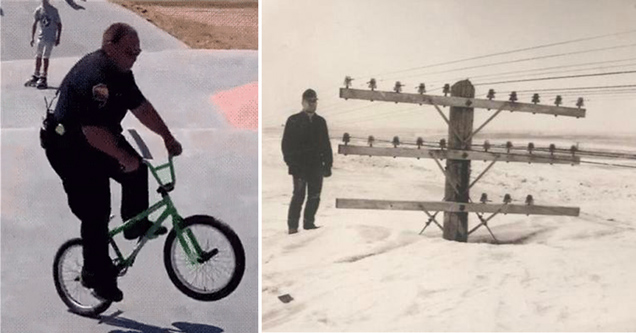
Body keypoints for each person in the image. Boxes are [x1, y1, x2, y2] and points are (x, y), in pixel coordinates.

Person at [40, 23, 183, 302]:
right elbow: (90, 131)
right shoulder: (97, 75)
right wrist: (122, 157)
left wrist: (167, 137)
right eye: (130, 50)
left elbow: (142, 108)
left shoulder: (121, 73)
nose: (136, 55)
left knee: (138, 168)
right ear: (110, 47)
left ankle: (134, 223)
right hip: (67, 146)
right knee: (96, 211)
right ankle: (96, 276)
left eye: (138, 50)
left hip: (98, 135)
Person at [281, 89, 333, 235]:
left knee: (315, 195)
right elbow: (286, 145)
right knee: (298, 195)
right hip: (299, 167)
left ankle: (309, 224)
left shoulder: (320, 122)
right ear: (303, 102)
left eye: (314, 101)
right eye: (309, 101)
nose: (312, 104)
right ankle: (292, 227)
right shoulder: (294, 120)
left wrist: (327, 165)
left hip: (316, 166)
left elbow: (325, 144)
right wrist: (291, 163)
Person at [26, 0, 62, 89]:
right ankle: (36, 74)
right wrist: (32, 37)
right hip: (41, 37)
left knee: (46, 57)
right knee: (38, 55)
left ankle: (44, 76)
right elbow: (35, 23)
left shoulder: (54, 11)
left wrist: (58, 38)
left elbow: (59, 24)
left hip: (50, 37)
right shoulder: (39, 10)